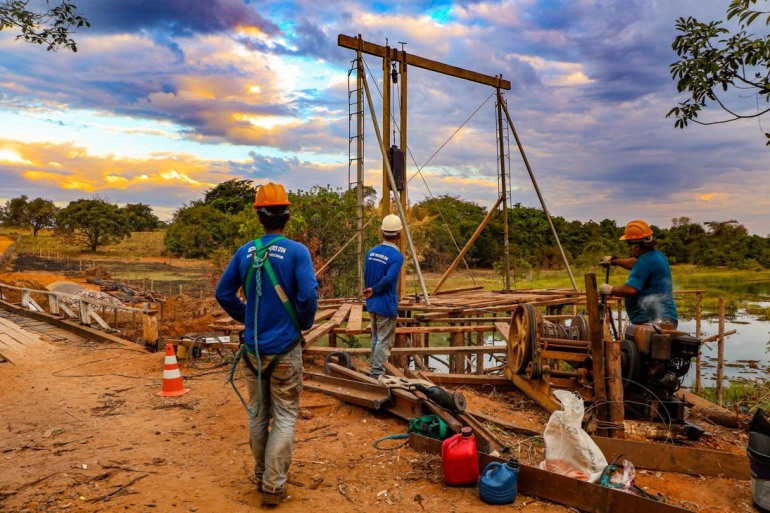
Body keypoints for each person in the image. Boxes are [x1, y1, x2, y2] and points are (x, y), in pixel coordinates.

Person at [215, 182, 318, 507]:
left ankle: (262, 477)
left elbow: (222, 293)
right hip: (285, 352)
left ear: (259, 215)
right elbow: (309, 295)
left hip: (252, 352)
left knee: (259, 415)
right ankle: (274, 485)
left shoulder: (245, 252)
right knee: (285, 417)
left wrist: (248, 317)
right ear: (287, 215)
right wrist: (303, 322)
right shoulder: (297, 252)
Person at [599, 219, 678, 329]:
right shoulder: (654, 255)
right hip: (664, 318)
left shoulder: (645, 261)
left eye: (629, 244)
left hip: (654, 319)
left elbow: (631, 289)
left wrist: (611, 289)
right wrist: (614, 261)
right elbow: (635, 262)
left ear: (636, 246)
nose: (629, 248)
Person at [362, 213, 405, 378]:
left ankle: (373, 368)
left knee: (376, 338)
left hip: (372, 304)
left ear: (382, 233)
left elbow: (367, 274)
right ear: (399, 235)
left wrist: (371, 291)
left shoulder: (371, 252)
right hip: (385, 305)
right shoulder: (396, 256)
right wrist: (375, 289)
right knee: (384, 340)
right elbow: (389, 279)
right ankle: (377, 373)